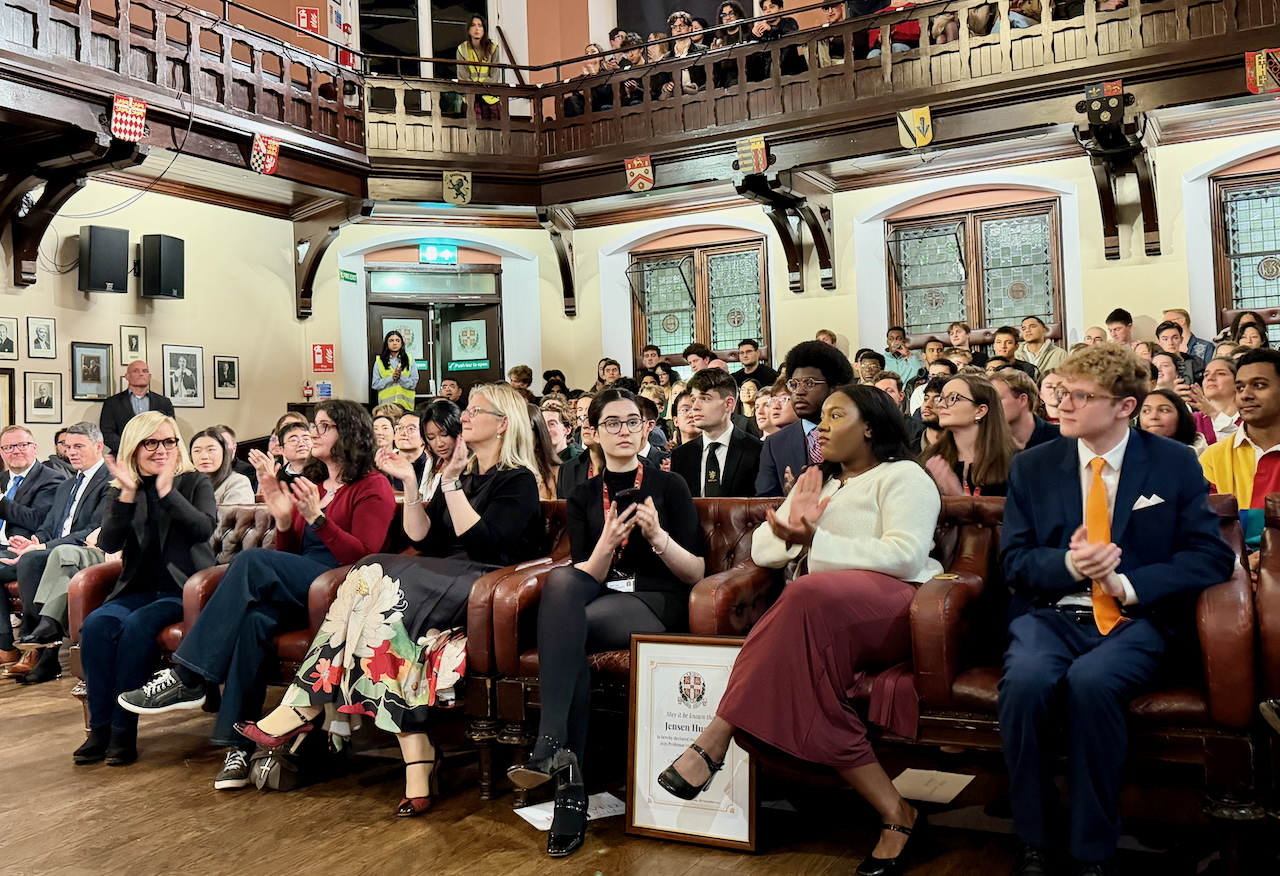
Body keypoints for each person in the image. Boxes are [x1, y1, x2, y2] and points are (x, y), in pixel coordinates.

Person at [656, 385, 943, 876]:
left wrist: (817, 539)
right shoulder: (820, 482)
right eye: (823, 417)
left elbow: (905, 556)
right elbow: (765, 552)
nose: (822, 426)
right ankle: (897, 813)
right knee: (804, 620)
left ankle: (716, 737)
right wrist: (794, 522)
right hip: (817, 614)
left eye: (837, 415)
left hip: (892, 608)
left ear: (870, 426)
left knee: (804, 594)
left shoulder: (904, 477)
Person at [239, 383, 543, 813]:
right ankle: (416, 755)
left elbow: (485, 545)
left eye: (476, 410)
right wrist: (411, 482)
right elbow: (424, 536)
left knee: (372, 571)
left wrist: (452, 483)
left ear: (502, 424)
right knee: (384, 630)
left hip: (483, 581)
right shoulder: (463, 475)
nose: (466, 416)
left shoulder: (517, 480)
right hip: (440, 575)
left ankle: (304, 704)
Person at [998, 343, 1234, 876]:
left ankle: (1091, 850)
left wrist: (1124, 581)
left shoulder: (1171, 462)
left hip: (1137, 618)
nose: (1062, 405)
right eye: (1059, 393)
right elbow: (1013, 561)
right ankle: (1035, 838)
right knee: (1027, 682)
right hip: (1054, 613)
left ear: (1125, 406)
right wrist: (1073, 565)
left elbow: (1209, 557)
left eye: (1080, 396)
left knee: (1093, 683)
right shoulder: (1033, 466)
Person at [116, 400, 397, 791]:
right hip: (304, 584)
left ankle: (188, 675)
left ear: (350, 434)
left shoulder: (374, 486)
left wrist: (318, 518)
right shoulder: (313, 485)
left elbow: (363, 557)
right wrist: (284, 519)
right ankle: (238, 745)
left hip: (341, 588)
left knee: (250, 562)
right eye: (314, 425)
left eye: (324, 426)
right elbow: (288, 556)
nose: (314, 433)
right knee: (253, 623)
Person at [508, 388, 705, 858]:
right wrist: (607, 541)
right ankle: (564, 766)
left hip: (659, 599)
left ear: (645, 428)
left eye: (632, 422)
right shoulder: (580, 495)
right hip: (601, 592)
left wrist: (656, 536)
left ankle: (560, 771)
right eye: (612, 423)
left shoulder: (670, 485)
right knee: (561, 586)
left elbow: (695, 572)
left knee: (563, 631)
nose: (624, 431)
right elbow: (587, 571)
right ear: (592, 432)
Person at [75, 412, 218, 766]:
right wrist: (125, 494)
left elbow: (203, 529)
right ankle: (100, 730)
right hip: (136, 589)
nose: (161, 449)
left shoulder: (193, 481)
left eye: (168, 441)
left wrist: (167, 492)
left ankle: (123, 733)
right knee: (96, 625)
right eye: (150, 442)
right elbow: (108, 540)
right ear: (134, 448)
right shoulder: (125, 487)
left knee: (137, 627)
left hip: (182, 591)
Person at [0, 422, 111, 680]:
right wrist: (35, 541)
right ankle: (38, 647)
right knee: (32, 557)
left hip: (88, 552)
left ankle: (42, 649)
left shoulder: (111, 481)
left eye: (78, 446)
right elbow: (50, 525)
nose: (71, 452)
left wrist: (42, 547)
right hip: (55, 549)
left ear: (98, 446)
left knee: (33, 561)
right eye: (67, 446)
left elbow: (95, 529)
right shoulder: (68, 484)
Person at [1198, 348, 1280, 552]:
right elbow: (1205, 531)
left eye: (1259, 385)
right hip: (1232, 569)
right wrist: (1243, 560)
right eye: (1240, 387)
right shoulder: (1214, 457)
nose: (1246, 395)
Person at [757, 341, 855, 496]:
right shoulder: (775, 444)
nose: (799, 392)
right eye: (794, 384)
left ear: (834, 388)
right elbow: (764, 502)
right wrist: (790, 501)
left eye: (810, 383)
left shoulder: (853, 435)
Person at [670, 368, 763, 497]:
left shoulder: (757, 451)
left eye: (705, 399)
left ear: (728, 404)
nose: (695, 407)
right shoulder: (681, 455)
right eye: (693, 399)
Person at [922, 375, 1017, 497]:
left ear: (980, 410)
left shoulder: (1015, 463)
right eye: (941, 398)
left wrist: (957, 495)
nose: (941, 405)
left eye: (953, 398)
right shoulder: (931, 458)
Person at [0, 426, 65, 562]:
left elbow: (37, 520)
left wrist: (1, 500)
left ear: (35, 448)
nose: (16, 451)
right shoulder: (2, 479)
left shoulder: (52, 479)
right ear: (1, 452)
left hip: (21, 550)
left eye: (22, 445)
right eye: (8, 447)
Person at [100, 360, 175, 454]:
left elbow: (171, 430)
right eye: (136, 371)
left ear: (149, 376)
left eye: (145, 371)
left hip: (157, 454)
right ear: (127, 376)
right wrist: (128, 450)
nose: (141, 374)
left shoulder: (164, 402)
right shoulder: (112, 403)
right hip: (122, 455)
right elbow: (107, 433)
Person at [990, 369, 1061, 450]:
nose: (990, 406)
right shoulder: (988, 442)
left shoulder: (1060, 439)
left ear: (1022, 400)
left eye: (997, 400)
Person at [190, 429, 255, 505]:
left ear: (224, 453)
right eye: (197, 451)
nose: (204, 456)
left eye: (211, 450)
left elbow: (234, 515)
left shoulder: (237, 482)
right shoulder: (188, 483)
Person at [457, 14, 502, 120]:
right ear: (468, 30)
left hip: (490, 96)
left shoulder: (493, 48)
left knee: (493, 132)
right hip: (471, 96)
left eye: (480, 25)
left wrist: (482, 87)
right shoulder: (462, 49)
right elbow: (463, 76)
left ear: (484, 29)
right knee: (473, 130)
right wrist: (475, 88)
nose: (477, 28)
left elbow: (494, 76)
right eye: (473, 25)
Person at [747, 0, 807, 78]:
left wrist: (771, 29)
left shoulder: (789, 22)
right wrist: (753, 33)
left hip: (790, 70)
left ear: (780, 9)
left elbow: (788, 32)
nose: (768, 11)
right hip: (766, 74)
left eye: (772, 7)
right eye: (765, 9)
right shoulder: (762, 28)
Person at [1139, 389, 1206, 455]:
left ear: (1181, 415)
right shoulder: (1132, 452)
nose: (1153, 417)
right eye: (1146, 411)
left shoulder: (1202, 454)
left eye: (1164, 410)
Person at [1189, 357, 1240, 445]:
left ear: (1237, 382)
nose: (1210, 378)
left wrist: (1214, 413)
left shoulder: (1250, 418)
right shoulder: (1193, 420)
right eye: (1206, 375)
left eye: (1220, 373)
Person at [657, 11, 707, 98]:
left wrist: (695, 85)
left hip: (696, 90)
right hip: (675, 93)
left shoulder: (702, 50)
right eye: (674, 27)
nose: (678, 29)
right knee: (664, 97)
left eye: (682, 26)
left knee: (687, 90)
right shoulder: (666, 57)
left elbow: (710, 75)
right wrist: (665, 86)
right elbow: (660, 82)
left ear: (690, 28)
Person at [371, 330, 418, 411]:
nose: (394, 343)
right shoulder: (379, 360)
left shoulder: (409, 359)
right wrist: (391, 378)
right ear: (387, 343)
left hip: (405, 407)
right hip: (386, 407)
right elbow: (375, 384)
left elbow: (413, 383)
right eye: (391, 341)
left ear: (401, 343)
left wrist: (400, 378)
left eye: (397, 340)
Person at [564, 44, 614, 117]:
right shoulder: (582, 77)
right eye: (587, 53)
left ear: (601, 57)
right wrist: (584, 80)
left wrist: (592, 75)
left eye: (593, 52)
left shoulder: (607, 74)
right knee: (571, 100)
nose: (589, 54)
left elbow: (605, 96)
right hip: (586, 108)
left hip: (602, 105)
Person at [711, 1, 750, 89]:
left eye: (731, 13)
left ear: (738, 15)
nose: (728, 18)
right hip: (724, 81)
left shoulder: (747, 36)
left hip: (742, 77)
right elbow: (718, 72)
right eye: (724, 15)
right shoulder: (720, 42)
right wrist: (714, 56)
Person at [917, 376, 947, 451]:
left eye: (937, 400)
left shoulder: (964, 451)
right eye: (926, 399)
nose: (927, 405)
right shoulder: (908, 451)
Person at [817, 1, 848, 66]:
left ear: (842, 6)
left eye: (833, 7)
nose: (830, 11)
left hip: (846, 62)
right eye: (826, 9)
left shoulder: (850, 25)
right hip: (828, 64)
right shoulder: (824, 30)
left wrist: (832, 38)